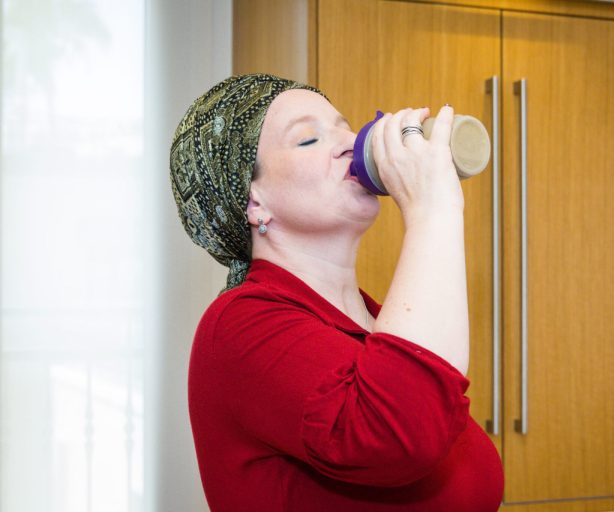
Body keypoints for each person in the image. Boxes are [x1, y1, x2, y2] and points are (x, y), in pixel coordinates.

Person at [170, 74, 504, 512]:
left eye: (345, 127)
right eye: (308, 139)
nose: (350, 142)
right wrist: (432, 209)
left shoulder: (380, 323)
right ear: (253, 202)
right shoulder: (237, 326)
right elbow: (398, 438)